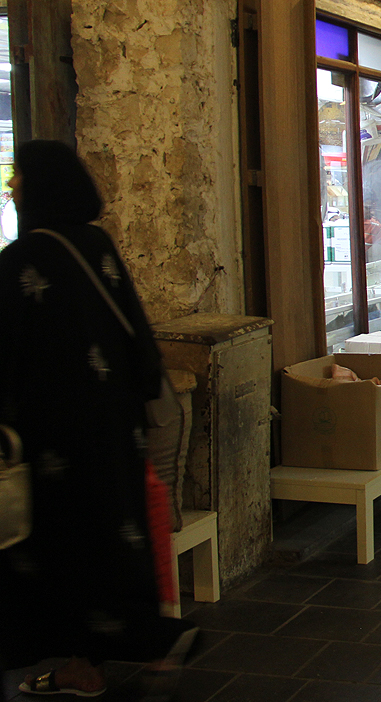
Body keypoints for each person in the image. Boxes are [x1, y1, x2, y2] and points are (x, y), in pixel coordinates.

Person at [0, 141, 198, 699]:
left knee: (56, 554)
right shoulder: (97, 245)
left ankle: (130, 649)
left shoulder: (19, 263)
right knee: (113, 541)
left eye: (19, 178)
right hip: (114, 430)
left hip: (52, 440)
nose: (12, 187)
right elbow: (135, 332)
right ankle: (105, 659)